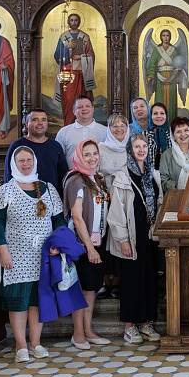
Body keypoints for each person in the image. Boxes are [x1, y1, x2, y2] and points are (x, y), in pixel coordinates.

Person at [0, 147, 67, 362]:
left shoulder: (48, 189)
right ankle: (20, 345)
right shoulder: (5, 191)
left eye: (29, 160)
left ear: (34, 161)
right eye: (21, 160)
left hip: (42, 255)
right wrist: (2, 249)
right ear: (14, 164)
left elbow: (59, 220)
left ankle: (36, 342)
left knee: (38, 300)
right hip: (15, 255)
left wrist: (57, 244)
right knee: (19, 300)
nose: (26, 164)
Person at [106, 134, 163, 344]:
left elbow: (159, 202)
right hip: (131, 235)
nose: (141, 150)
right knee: (132, 281)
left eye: (144, 146)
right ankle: (130, 327)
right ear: (130, 150)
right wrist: (123, 240)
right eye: (136, 146)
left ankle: (146, 322)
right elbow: (117, 212)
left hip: (149, 236)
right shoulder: (122, 176)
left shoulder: (153, 174)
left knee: (148, 279)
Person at [62, 139, 111, 350]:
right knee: (80, 288)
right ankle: (78, 333)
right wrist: (89, 248)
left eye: (94, 153)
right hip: (82, 245)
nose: (92, 158)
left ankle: (89, 330)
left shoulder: (97, 179)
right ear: (80, 157)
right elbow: (77, 217)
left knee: (91, 289)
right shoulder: (76, 180)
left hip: (97, 242)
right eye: (87, 154)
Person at [4, 109, 68, 197]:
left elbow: (63, 175)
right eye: (35, 119)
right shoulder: (17, 145)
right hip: (23, 199)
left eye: (43, 120)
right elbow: (8, 174)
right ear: (27, 124)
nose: (40, 123)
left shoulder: (55, 146)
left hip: (52, 199)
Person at [54, 14, 96, 126]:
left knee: (80, 98)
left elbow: (91, 55)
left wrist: (81, 57)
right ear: (68, 22)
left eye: (76, 20)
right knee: (68, 100)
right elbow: (57, 55)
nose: (74, 22)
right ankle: (68, 124)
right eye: (71, 20)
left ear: (79, 21)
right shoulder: (63, 37)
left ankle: (81, 123)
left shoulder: (85, 37)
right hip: (67, 73)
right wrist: (66, 48)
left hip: (80, 74)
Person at [55, 96, 107, 167]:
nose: (84, 109)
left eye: (87, 106)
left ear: (93, 109)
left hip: (98, 176)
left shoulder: (105, 131)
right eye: (80, 107)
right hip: (72, 175)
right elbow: (58, 158)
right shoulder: (64, 132)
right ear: (74, 111)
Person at [98, 113, 130, 191]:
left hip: (129, 194)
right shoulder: (100, 149)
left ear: (127, 128)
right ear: (109, 129)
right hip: (106, 194)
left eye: (122, 126)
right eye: (115, 126)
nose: (119, 129)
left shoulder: (132, 149)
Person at [149, 102, 172, 169]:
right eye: (155, 113)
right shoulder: (145, 135)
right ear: (151, 116)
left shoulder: (173, 134)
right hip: (150, 175)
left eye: (162, 113)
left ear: (166, 116)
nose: (159, 116)